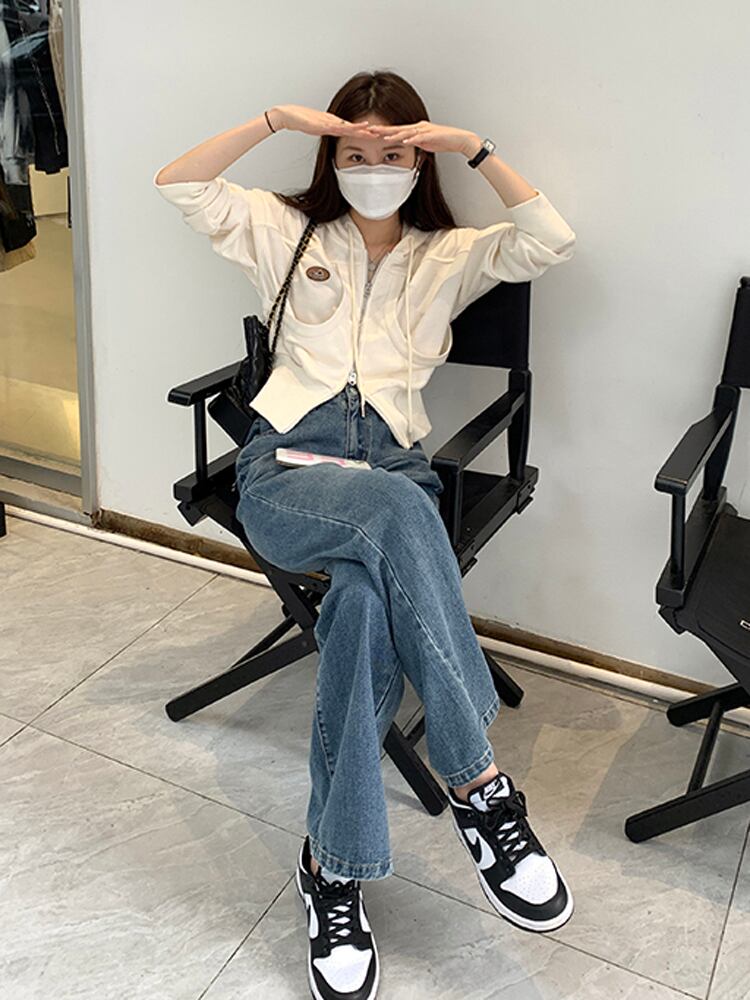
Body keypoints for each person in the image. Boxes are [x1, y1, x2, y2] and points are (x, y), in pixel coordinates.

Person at [154, 69, 576, 1000]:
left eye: (392, 152)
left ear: (417, 162)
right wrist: (275, 119)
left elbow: (551, 238)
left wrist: (473, 149)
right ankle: (478, 785)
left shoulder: (449, 254)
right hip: (288, 471)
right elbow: (180, 183)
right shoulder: (287, 232)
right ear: (331, 157)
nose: (372, 167)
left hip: (393, 463)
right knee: (398, 515)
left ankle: (330, 871)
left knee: (359, 607)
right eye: (354, 151)